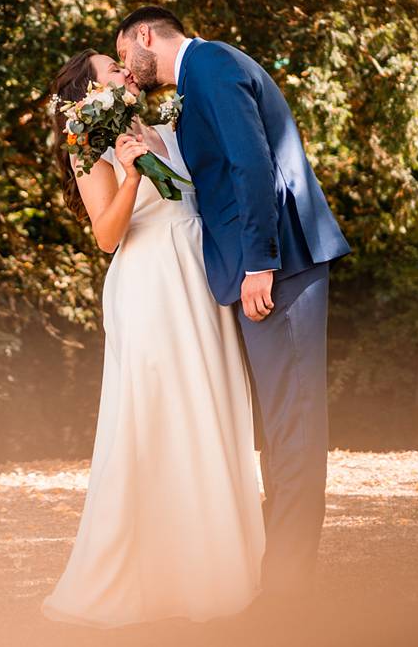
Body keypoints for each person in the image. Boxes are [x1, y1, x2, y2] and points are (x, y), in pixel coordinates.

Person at [114, 7, 350, 597]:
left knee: (292, 430)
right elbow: (214, 176)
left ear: (146, 36)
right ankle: (279, 584)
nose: (126, 69)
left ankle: (286, 598)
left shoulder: (212, 63)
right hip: (266, 270)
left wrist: (259, 262)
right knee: (278, 430)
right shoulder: (198, 81)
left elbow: (252, 166)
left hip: (281, 267)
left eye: (123, 56)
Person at [40, 50, 264, 628]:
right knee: (158, 419)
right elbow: (108, 237)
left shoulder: (169, 126)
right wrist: (132, 171)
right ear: (91, 92)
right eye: (112, 71)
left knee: (211, 410)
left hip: (198, 280)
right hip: (149, 287)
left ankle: (219, 569)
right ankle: (148, 579)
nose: (125, 73)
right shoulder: (88, 145)